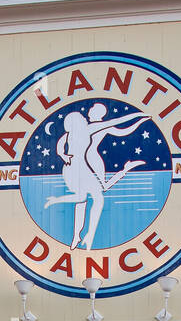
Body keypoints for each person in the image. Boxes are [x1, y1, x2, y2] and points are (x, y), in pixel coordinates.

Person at [44, 102, 149, 249]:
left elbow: (60, 147)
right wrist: (138, 117)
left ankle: (80, 235)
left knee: (90, 197)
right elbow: (118, 123)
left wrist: (64, 156)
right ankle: (79, 233)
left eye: (92, 109)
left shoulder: (82, 130)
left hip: (83, 165)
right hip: (80, 166)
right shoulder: (87, 129)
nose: (86, 114)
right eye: (81, 117)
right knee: (89, 197)